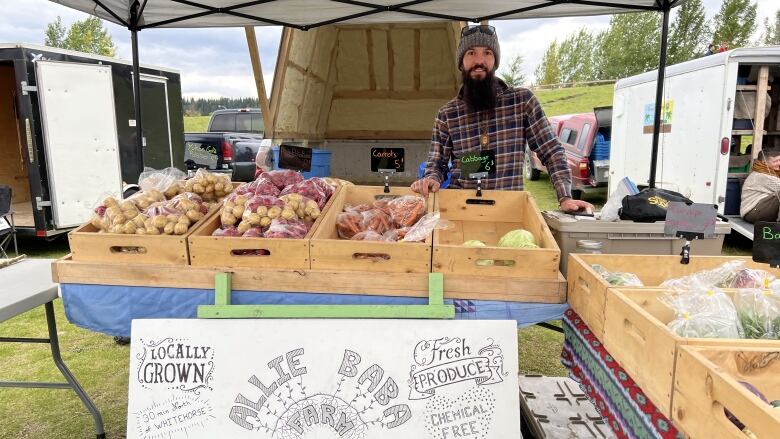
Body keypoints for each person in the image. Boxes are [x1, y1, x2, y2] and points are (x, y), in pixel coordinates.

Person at [411, 25, 593, 214]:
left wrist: (565, 196)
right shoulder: (447, 114)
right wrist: (431, 178)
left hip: (509, 212)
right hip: (461, 211)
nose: (479, 60)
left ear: (495, 61)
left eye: (487, 53)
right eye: (471, 53)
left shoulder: (522, 102)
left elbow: (552, 151)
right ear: (461, 62)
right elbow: (437, 162)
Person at [740, 148, 780, 223]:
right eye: (775, 161)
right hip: (752, 213)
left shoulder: (772, 172)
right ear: (764, 162)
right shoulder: (761, 175)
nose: (779, 163)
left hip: (762, 210)